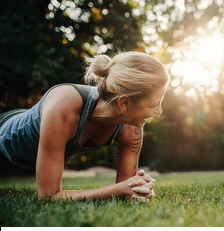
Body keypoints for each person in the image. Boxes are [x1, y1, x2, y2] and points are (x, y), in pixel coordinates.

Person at [0, 51, 170, 201]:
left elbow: (128, 189)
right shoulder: (63, 106)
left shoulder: (132, 127)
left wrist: (139, 189)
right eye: (154, 104)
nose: (159, 111)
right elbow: (48, 195)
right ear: (124, 102)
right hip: (5, 136)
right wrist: (118, 190)